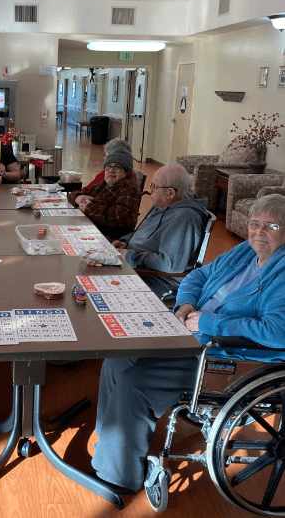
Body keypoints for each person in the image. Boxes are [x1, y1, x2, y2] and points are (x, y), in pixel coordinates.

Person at [92, 194, 285, 494]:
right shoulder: (244, 253)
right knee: (118, 358)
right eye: (254, 223)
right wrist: (185, 302)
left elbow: (277, 331)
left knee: (134, 385)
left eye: (270, 225)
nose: (259, 231)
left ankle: (116, 476)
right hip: (191, 333)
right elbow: (199, 274)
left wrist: (209, 323)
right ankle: (110, 441)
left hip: (224, 355)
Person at [112, 165, 208, 297]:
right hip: (136, 266)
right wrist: (125, 242)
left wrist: (130, 256)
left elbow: (170, 264)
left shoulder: (184, 219)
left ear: (170, 193)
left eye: (154, 187)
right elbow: (142, 232)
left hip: (155, 279)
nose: (149, 190)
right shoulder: (162, 206)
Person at [68, 148, 140, 239]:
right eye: (108, 166)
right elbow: (78, 193)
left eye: (117, 167)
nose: (111, 170)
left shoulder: (130, 187)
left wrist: (89, 207)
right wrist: (78, 197)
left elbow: (119, 216)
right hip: (92, 226)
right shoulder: (103, 184)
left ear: (126, 171)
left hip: (111, 235)